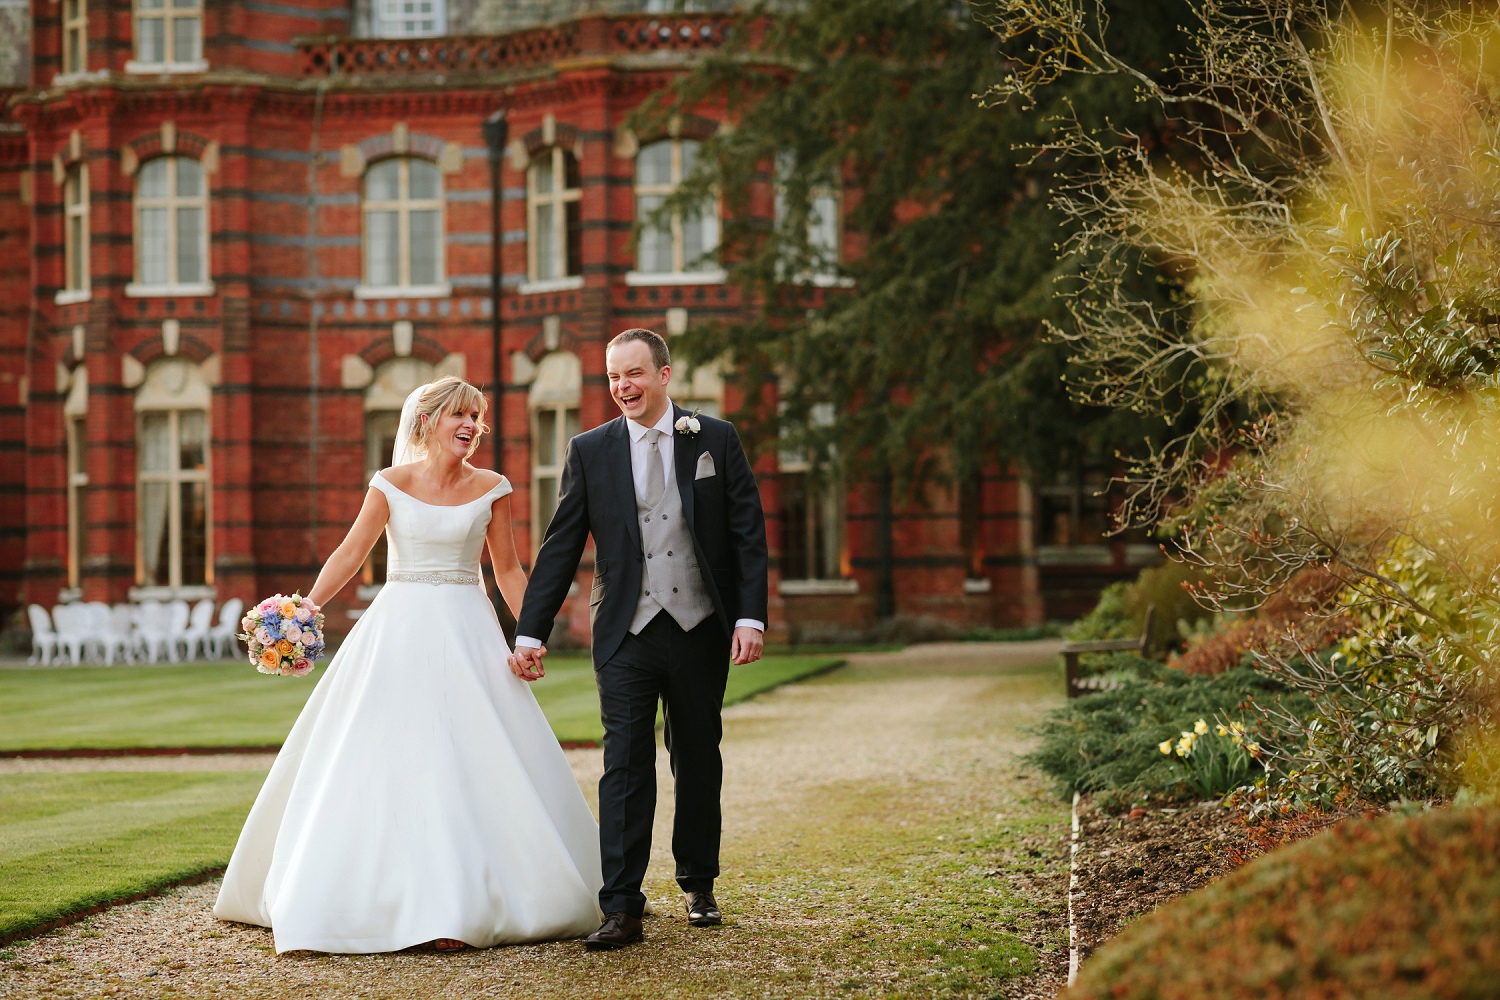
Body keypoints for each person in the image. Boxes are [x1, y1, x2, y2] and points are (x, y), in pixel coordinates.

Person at [214, 376, 602, 954]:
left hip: (468, 631)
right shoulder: (390, 483)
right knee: (387, 753)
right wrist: (303, 610)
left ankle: (461, 905)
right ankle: (371, 898)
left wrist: (530, 635)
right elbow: (352, 551)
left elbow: (508, 569)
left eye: (476, 417)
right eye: (459, 416)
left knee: (467, 754)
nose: (470, 426)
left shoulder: (493, 487)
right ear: (427, 422)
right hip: (397, 630)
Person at [509, 328, 770, 950]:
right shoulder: (589, 449)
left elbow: (747, 533)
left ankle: (698, 881)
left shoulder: (715, 438)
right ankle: (622, 905)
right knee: (624, 763)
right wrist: (530, 629)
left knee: (697, 756)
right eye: (613, 377)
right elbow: (561, 544)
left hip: (700, 626)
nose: (622, 387)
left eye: (633, 374)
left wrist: (749, 618)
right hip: (625, 630)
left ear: (663, 374)